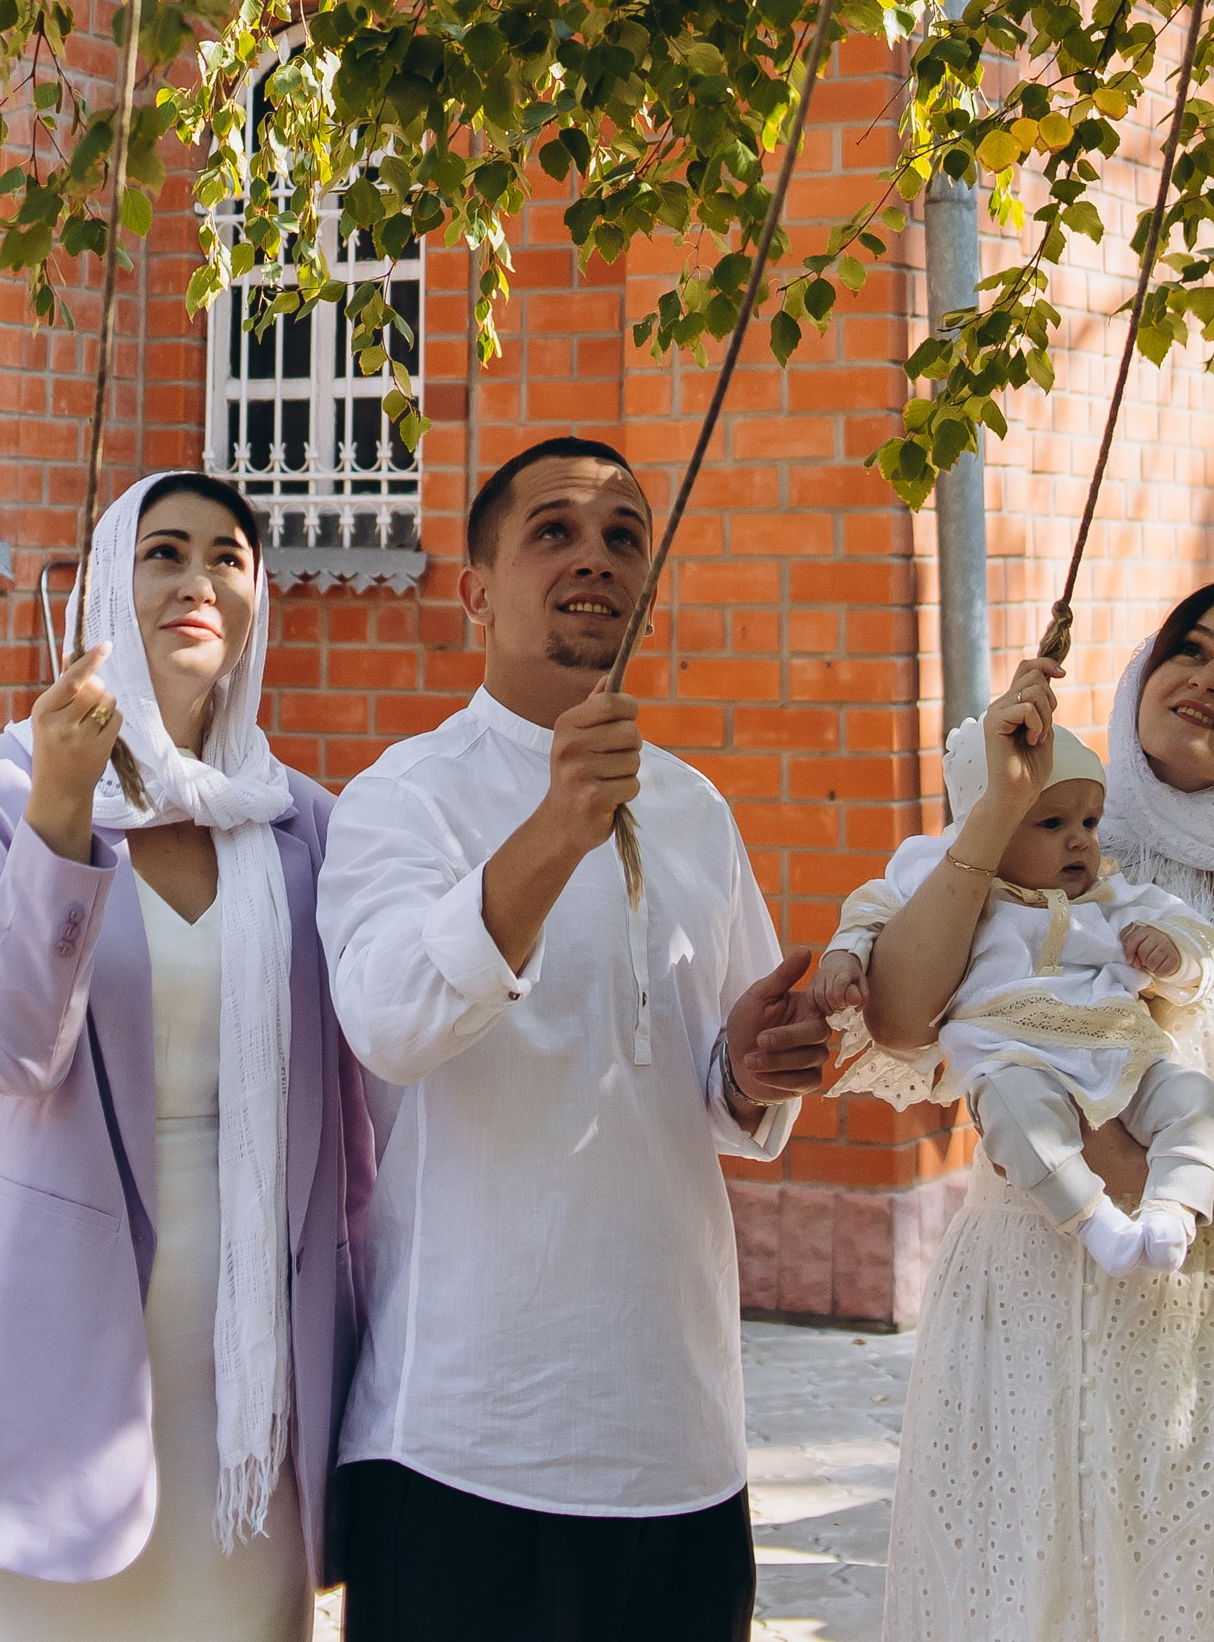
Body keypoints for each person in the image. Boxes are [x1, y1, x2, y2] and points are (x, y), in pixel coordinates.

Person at [841, 577, 1214, 1642]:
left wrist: (1135, 1165)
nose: (1207, 680)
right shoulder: (1048, 845)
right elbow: (895, 1015)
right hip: (1014, 1332)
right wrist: (998, 807)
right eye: (1190, 650)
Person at [316, 434, 830, 1642]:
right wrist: (554, 829)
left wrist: (757, 1067)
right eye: (552, 529)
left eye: (622, 535)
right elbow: (388, 1023)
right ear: (475, 590)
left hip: (677, 1431)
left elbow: (723, 1102)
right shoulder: (407, 792)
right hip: (461, 1430)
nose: (593, 556)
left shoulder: (695, 806)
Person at [0, 469, 372, 1639]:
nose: (197, 580)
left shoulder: (306, 822)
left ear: (259, 596)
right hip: (50, 1348)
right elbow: (6, 1047)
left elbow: (361, 1123)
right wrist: (61, 814)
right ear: (109, 584)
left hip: (249, 1369)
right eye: (163, 553)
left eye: (227, 556)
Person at [819, 716, 1214, 1275]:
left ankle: (1174, 1207)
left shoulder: (1111, 895)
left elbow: (1201, 939)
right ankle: (1095, 1223)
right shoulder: (957, 889)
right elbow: (874, 909)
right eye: (1052, 822)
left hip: (1119, 1050)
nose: (1079, 839)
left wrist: (1171, 949)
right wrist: (844, 957)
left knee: (1195, 1100)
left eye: (1090, 821)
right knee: (1016, 1116)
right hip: (1009, 1051)